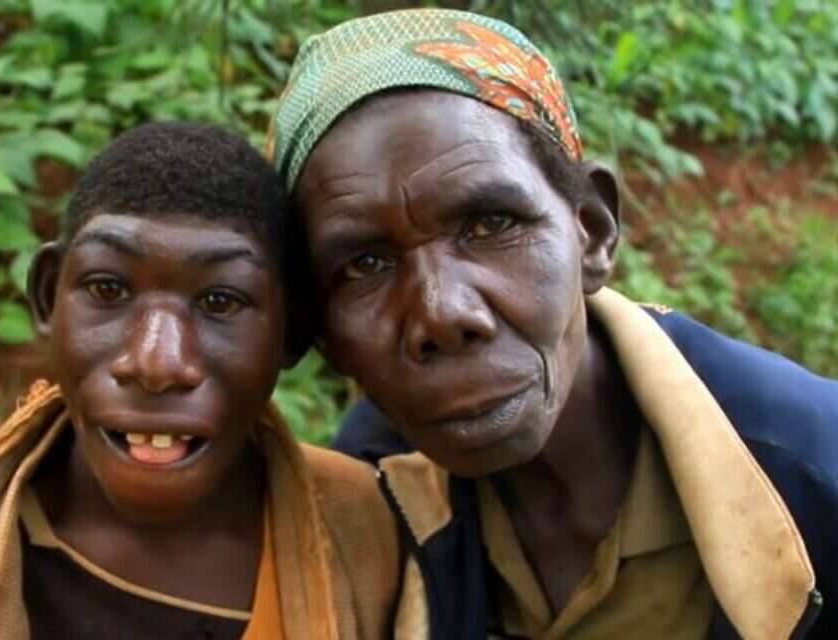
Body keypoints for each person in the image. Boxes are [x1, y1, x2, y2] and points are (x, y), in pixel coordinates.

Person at [268, 9, 837, 639]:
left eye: (490, 224)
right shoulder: (361, 509)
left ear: (591, 230)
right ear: (321, 334)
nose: (443, 313)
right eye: (364, 264)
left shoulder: (814, 473)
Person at [0, 122, 399, 639]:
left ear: (293, 329)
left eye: (219, 301)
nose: (156, 363)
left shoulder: (369, 536)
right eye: (108, 290)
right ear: (47, 296)